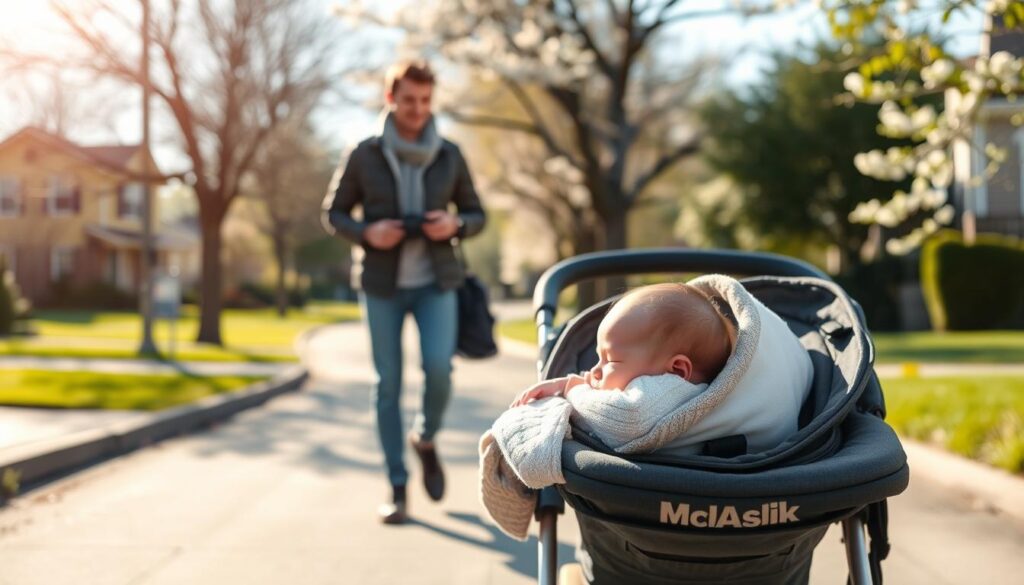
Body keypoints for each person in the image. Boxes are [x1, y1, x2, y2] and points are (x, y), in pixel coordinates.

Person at [480, 276, 814, 539]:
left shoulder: (669, 390)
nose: (593, 372)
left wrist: (571, 388)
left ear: (677, 369)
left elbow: (624, 418)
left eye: (609, 360)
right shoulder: (743, 394)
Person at [322, 60, 486, 524]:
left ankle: (426, 439)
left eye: (425, 101)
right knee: (387, 385)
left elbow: (476, 214)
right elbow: (333, 213)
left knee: (439, 369)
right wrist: (367, 233)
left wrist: (455, 224)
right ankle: (397, 487)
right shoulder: (364, 153)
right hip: (382, 285)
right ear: (391, 99)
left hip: (437, 281)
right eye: (409, 100)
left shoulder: (449, 153)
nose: (418, 110)